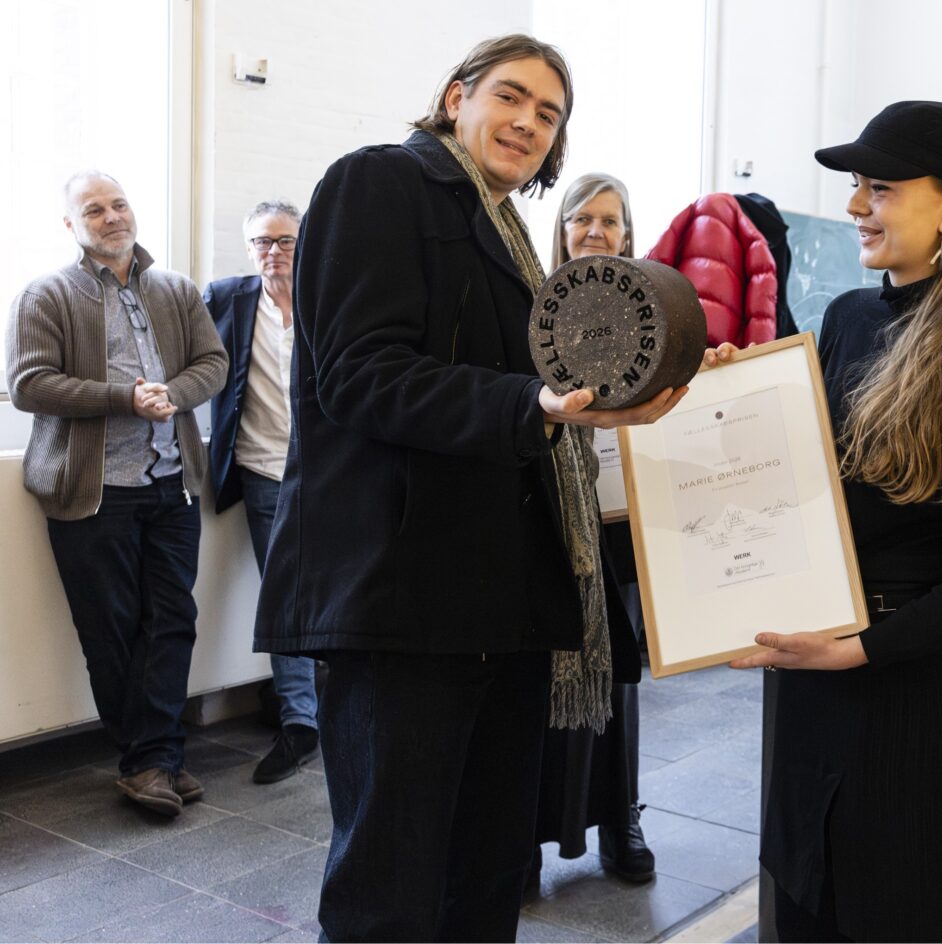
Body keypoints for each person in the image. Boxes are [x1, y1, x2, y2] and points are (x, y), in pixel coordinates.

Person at [251, 35, 686, 942]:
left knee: (484, 881)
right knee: (390, 891)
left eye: (549, 113)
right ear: (456, 97)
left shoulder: (509, 234)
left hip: (501, 608)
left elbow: (541, 389)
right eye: (511, 96)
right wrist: (534, 404)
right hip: (403, 603)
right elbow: (360, 376)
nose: (529, 122)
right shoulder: (381, 182)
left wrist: (644, 385)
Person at [715, 101, 942, 942]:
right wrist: (734, 398)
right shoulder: (849, 319)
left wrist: (857, 649)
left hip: (909, 691)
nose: (856, 206)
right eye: (858, 185)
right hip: (813, 674)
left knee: (897, 913)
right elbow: (807, 480)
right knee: (802, 901)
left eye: (882, 188)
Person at [5, 171, 228, 817]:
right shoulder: (46, 294)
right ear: (71, 225)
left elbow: (212, 364)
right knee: (111, 629)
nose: (111, 217)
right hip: (92, 489)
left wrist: (172, 395)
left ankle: (152, 760)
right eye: (94, 210)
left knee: (172, 622)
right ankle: (153, 759)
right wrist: (124, 399)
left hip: (171, 483)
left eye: (119, 204)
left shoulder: (176, 290)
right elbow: (29, 385)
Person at [529, 172, 656, 887]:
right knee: (534, 680)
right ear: (563, 228)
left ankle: (619, 818)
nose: (596, 232)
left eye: (610, 220)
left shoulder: (652, 309)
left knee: (619, 679)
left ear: (628, 233)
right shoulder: (534, 306)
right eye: (583, 219)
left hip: (619, 522)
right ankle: (522, 832)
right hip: (550, 519)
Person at [203, 200, 320, 785]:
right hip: (262, 471)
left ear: (305, 241)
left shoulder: (329, 297)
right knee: (283, 595)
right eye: (261, 242)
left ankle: (331, 704)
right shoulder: (225, 298)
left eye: (285, 240)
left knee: (336, 589)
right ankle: (300, 720)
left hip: (331, 472)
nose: (272, 252)